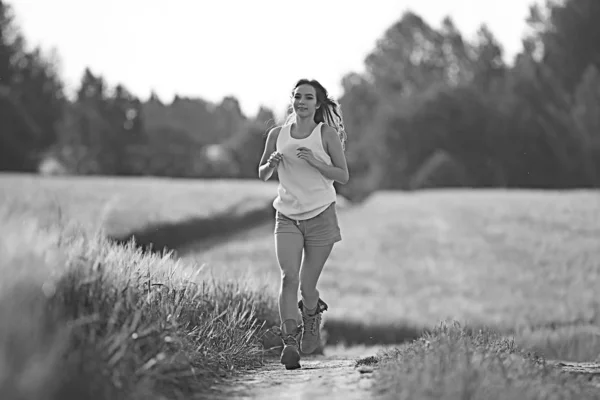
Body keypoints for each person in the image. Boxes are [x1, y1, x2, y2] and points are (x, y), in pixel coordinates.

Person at [258, 78, 349, 370]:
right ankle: (290, 342)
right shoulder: (277, 134)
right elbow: (262, 173)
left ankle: (312, 314)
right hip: (286, 215)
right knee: (289, 278)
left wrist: (315, 161)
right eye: (297, 96)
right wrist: (271, 165)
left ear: (318, 103)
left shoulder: (327, 134)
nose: (301, 101)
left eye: (308, 97)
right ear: (292, 100)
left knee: (308, 286)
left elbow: (343, 176)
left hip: (321, 215)